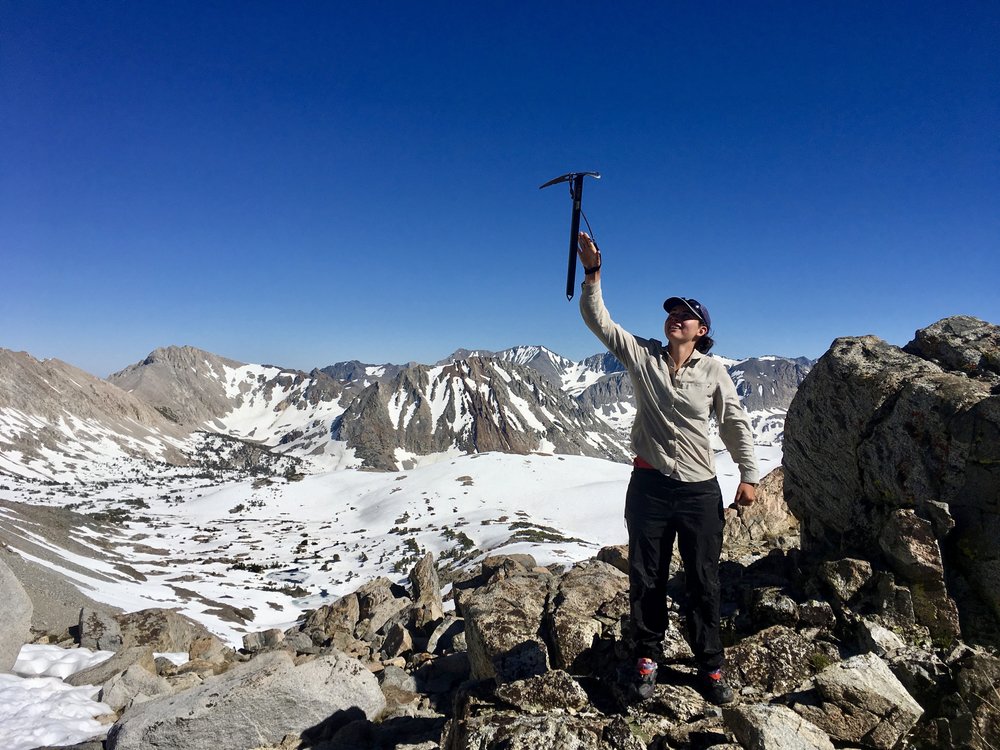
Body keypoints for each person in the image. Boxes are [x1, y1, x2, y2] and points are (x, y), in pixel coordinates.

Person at [576, 231, 758, 704]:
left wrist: (749, 475)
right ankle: (647, 655)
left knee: (703, 579)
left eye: (686, 316)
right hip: (650, 487)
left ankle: (711, 665)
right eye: (672, 313)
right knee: (646, 576)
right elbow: (600, 322)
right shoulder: (643, 356)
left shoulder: (714, 371)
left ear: (702, 330)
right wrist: (593, 273)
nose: (675, 319)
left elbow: (735, 422)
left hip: (700, 491)